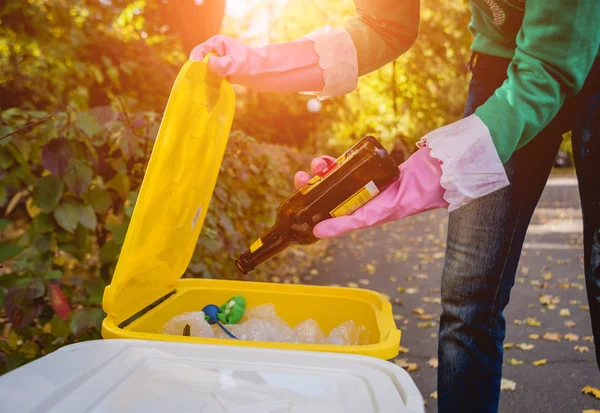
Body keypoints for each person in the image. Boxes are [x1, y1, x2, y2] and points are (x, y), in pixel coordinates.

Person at [191, 1, 600, 411]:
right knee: (468, 296)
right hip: (502, 59)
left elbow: (552, 61)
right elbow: (383, 24)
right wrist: (260, 63)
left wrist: (443, 165)